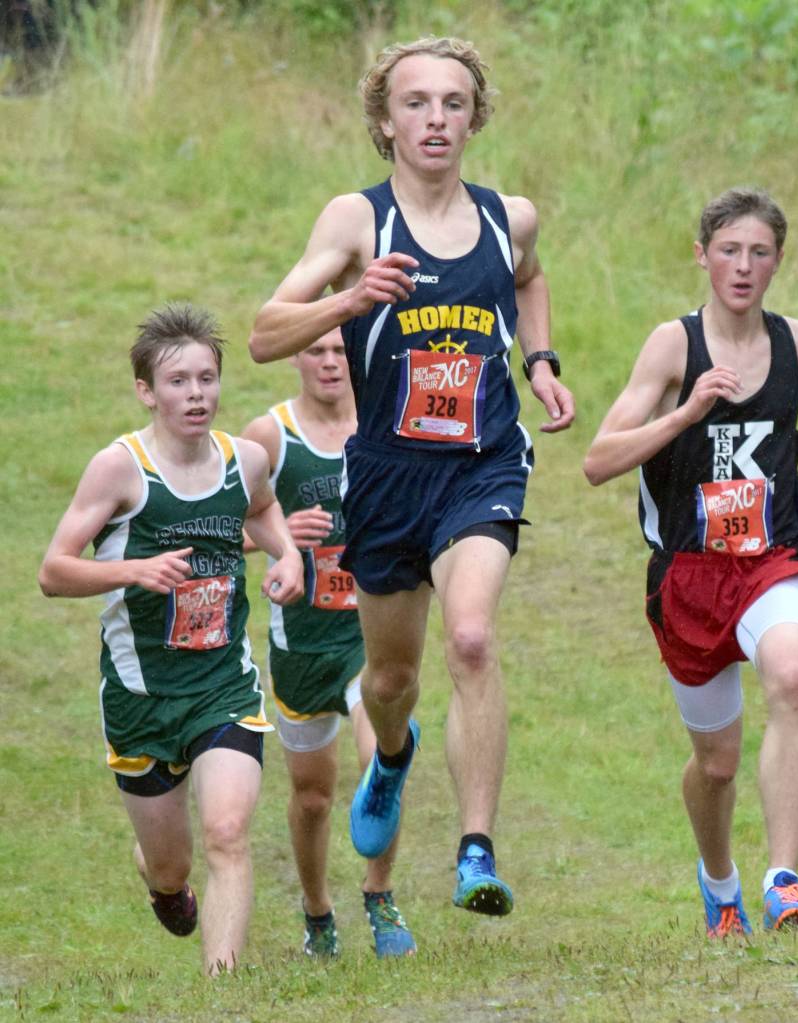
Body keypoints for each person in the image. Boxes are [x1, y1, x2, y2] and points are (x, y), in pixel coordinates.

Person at [248, 36, 574, 916]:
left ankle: (475, 849)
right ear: (385, 120)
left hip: (483, 463)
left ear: (475, 118)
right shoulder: (356, 222)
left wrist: (538, 359)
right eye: (417, 103)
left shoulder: (512, 216)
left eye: (454, 103)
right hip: (389, 473)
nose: (436, 119)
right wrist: (352, 299)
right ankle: (392, 755)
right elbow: (265, 333)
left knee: (470, 637)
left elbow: (530, 278)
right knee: (389, 681)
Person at [583, 188, 798, 937]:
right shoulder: (673, 346)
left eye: (759, 252)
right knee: (717, 764)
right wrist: (686, 411)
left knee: (792, 677)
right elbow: (597, 461)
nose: (744, 266)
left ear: (777, 260)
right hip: (689, 578)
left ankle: (785, 878)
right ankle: (720, 881)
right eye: (729, 250)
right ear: (702, 257)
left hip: (771, 559)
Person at [39, 304, 304, 974]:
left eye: (207, 379)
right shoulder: (118, 469)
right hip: (141, 697)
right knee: (172, 861)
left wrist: (289, 556)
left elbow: (265, 508)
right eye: (179, 381)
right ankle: (163, 882)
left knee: (227, 832)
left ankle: (224, 989)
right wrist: (133, 568)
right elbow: (53, 570)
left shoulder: (244, 460)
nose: (196, 394)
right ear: (146, 390)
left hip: (223, 685)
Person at [242, 328, 416, 957]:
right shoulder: (268, 437)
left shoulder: (386, 421)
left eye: (342, 351)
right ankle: (318, 912)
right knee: (313, 797)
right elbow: (216, 528)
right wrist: (281, 536)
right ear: (296, 356)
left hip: (371, 635)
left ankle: (380, 894)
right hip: (302, 647)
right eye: (317, 350)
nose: (330, 362)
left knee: (384, 762)